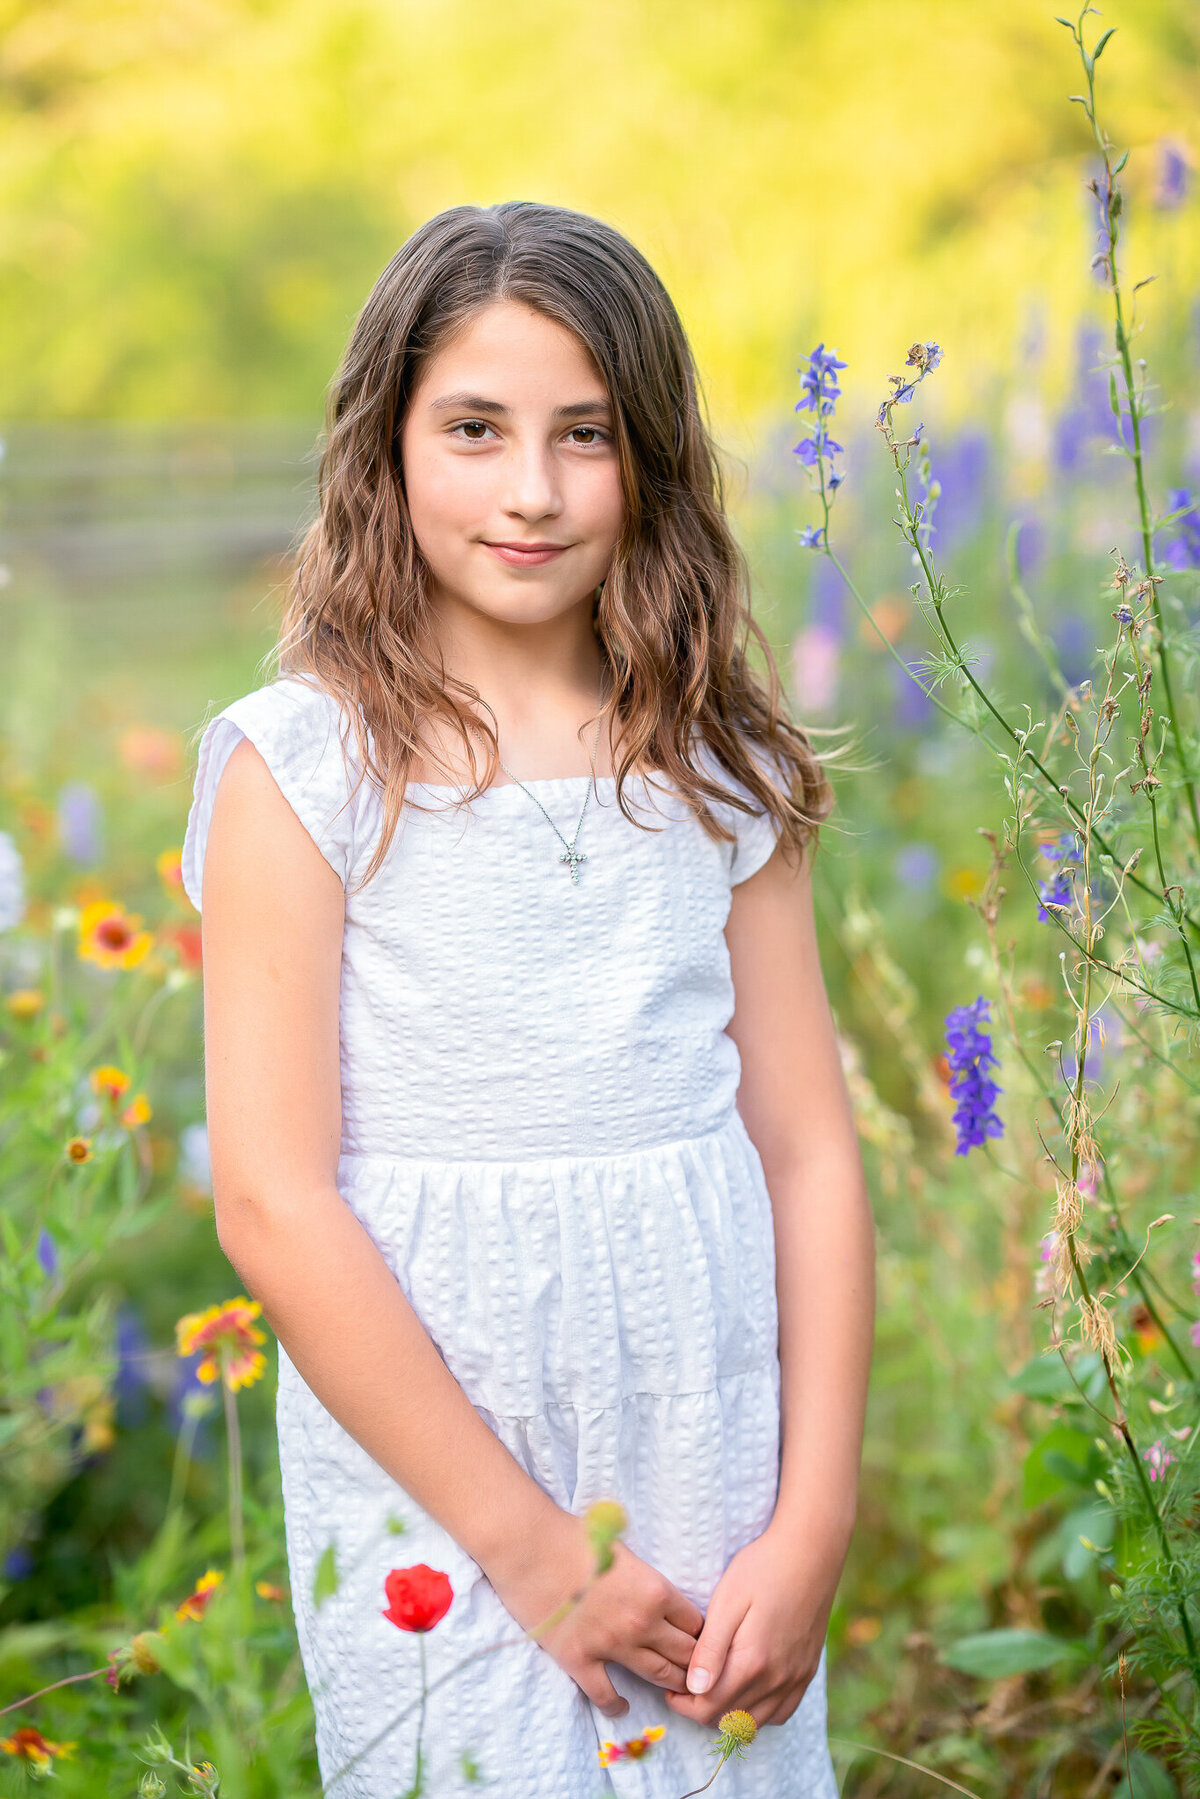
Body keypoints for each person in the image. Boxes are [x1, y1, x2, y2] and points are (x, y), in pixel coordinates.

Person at [180, 200, 874, 1798]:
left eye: (587, 434)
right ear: (388, 443)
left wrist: (815, 1515)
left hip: (702, 1433)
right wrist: (532, 1552)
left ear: (654, 463)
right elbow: (275, 1207)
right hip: (438, 1463)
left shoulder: (721, 764)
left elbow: (811, 1153)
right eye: (476, 430)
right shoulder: (301, 771)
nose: (535, 491)